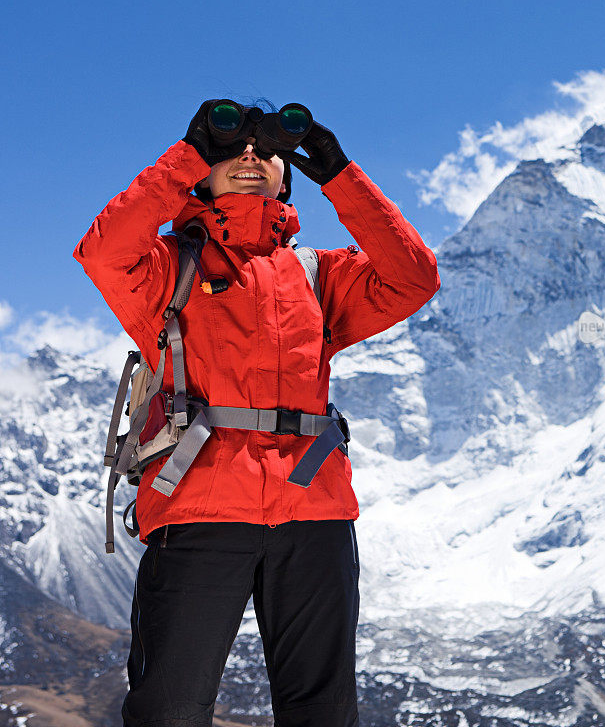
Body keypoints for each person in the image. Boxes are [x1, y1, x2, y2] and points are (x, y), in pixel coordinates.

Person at [73, 99, 441, 727]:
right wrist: (187, 152)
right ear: (202, 172)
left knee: (322, 713)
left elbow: (413, 278)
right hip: (199, 507)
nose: (249, 155)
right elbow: (103, 254)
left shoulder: (317, 273)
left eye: (266, 149)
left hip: (315, 510)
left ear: (285, 174)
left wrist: (340, 174)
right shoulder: (169, 268)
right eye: (229, 148)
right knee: (169, 710)